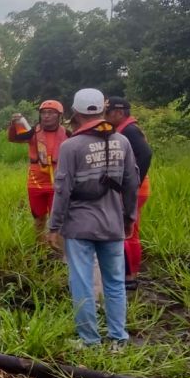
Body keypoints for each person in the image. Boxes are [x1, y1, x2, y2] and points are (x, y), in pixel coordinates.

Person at [48, 88, 139, 348]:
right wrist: (129, 217)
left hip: (79, 226)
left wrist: (54, 226)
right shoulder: (121, 141)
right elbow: (131, 182)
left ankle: (89, 340)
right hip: (113, 224)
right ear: (102, 109)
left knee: (82, 282)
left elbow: (62, 189)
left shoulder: (71, 146)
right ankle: (118, 339)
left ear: (75, 113)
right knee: (115, 282)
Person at [105, 97, 153, 290]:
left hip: (135, 189)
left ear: (118, 112)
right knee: (129, 231)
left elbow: (146, 154)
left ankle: (130, 277)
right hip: (134, 188)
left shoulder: (130, 130)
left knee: (128, 233)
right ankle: (129, 275)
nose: (105, 117)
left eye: (107, 113)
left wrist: (132, 184)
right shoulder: (125, 129)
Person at [7, 100, 69, 243]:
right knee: (38, 219)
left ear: (59, 116)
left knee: (58, 220)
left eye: (51, 113)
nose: (46, 116)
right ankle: (39, 252)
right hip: (36, 182)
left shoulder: (68, 134)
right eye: (44, 113)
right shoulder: (31, 132)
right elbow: (13, 138)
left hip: (58, 182)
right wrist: (13, 124)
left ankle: (57, 254)